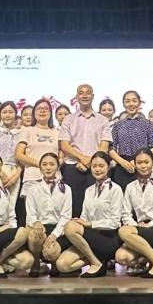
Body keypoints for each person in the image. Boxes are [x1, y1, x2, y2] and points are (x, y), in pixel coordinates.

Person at [56, 152, 124, 278]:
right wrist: (79, 221)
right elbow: (85, 217)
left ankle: (95, 263)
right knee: (62, 265)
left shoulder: (116, 189)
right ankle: (98, 260)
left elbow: (115, 223)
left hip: (108, 237)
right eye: (94, 166)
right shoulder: (89, 190)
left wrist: (90, 224)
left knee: (70, 227)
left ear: (108, 167)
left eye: (101, 166)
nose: (97, 169)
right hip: (90, 237)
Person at [115, 148, 153, 277]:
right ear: (135, 164)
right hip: (139, 230)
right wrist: (136, 226)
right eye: (139, 163)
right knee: (121, 257)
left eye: (146, 162)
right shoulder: (130, 187)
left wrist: (151, 224)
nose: (143, 166)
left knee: (123, 231)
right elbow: (125, 214)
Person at [59, 84, 113, 217]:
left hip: (96, 169)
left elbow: (104, 146)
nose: (84, 95)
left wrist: (90, 163)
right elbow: (64, 145)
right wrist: (83, 159)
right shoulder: (68, 119)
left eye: (88, 93)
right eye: (81, 93)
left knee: (95, 206)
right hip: (73, 167)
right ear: (77, 97)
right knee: (74, 206)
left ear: (93, 96)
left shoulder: (103, 120)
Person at [21, 152, 71, 275]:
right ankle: (36, 261)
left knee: (51, 252)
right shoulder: (32, 189)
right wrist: (36, 223)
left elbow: (66, 216)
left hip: (57, 229)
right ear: (40, 167)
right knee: (34, 235)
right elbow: (30, 215)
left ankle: (54, 262)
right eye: (44, 164)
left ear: (57, 167)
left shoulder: (66, 189)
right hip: (40, 228)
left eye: (52, 164)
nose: (48, 167)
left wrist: (54, 234)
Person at [108, 91, 153, 189]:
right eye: (127, 101)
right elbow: (111, 149)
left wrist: (137, 160)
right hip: (122, 165)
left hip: (142, 165)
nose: (131, 104)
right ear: (124, 104)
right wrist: (122, 162)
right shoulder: (118, 125)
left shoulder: (147, 123)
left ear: (139, 103)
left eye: (134, 101)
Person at [15, 98, 62, 206]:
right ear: (34, 113)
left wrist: (53, 166)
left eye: (46, 109)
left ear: (50, 113)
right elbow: (19, 154)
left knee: (53, 212)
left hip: (54, 178)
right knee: (32, 213)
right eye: (39, 108)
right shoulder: (27, 130)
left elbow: (61, 155)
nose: (42, 111)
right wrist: (41, 164)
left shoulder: (57, 132)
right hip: (33, 177)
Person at [0, 102, 22, 207]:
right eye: (4, 112)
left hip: (14, 172)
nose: (7, 115)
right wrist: (0, 172)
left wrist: (16, 176)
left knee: (11, 206)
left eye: (10, 112)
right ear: (0, 114)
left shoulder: (21, 134)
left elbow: (22, 158)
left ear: (15, 114)